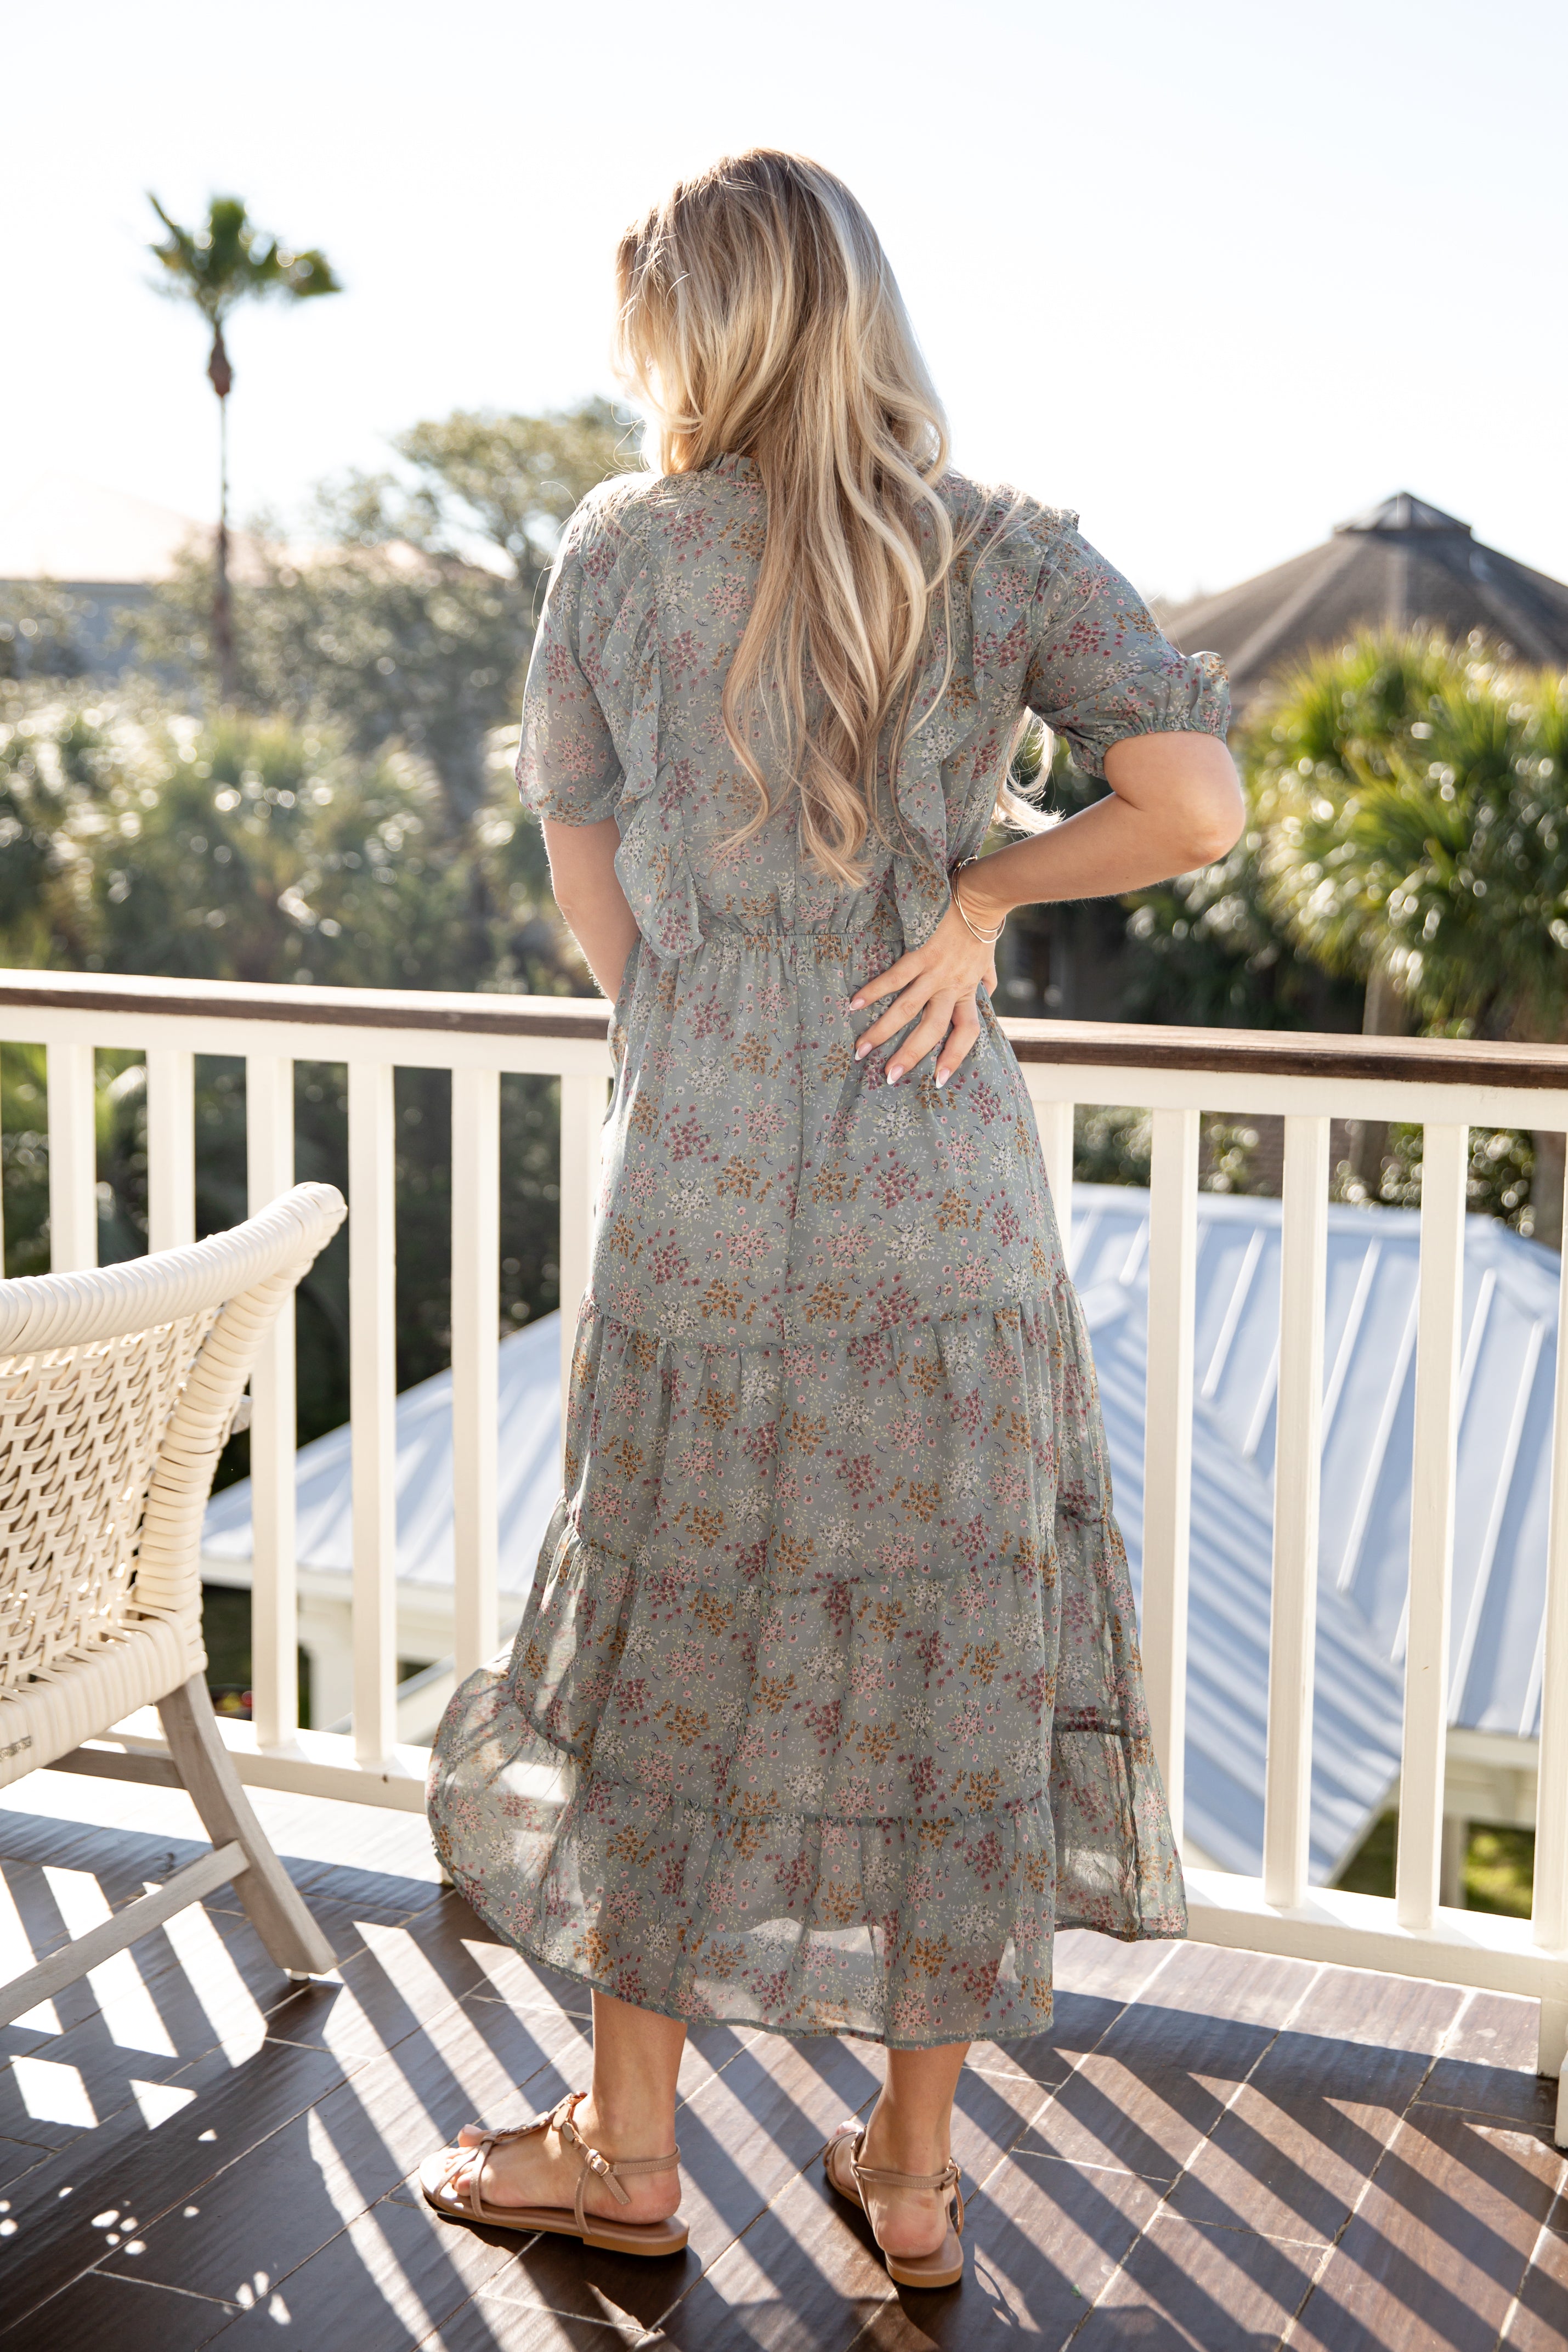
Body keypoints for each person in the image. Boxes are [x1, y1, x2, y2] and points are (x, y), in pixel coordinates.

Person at [423, 147, 1240, 2291]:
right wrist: (977, 894)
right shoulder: (990, 548)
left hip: (708, 1182)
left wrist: (694, 1039)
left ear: (704, 329)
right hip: (937, 1183)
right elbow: (1192, 802)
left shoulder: (616, 552)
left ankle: (627, 2155)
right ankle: (910, 2177)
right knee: (935, 1654)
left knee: (670, 1635)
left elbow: (586, 874)